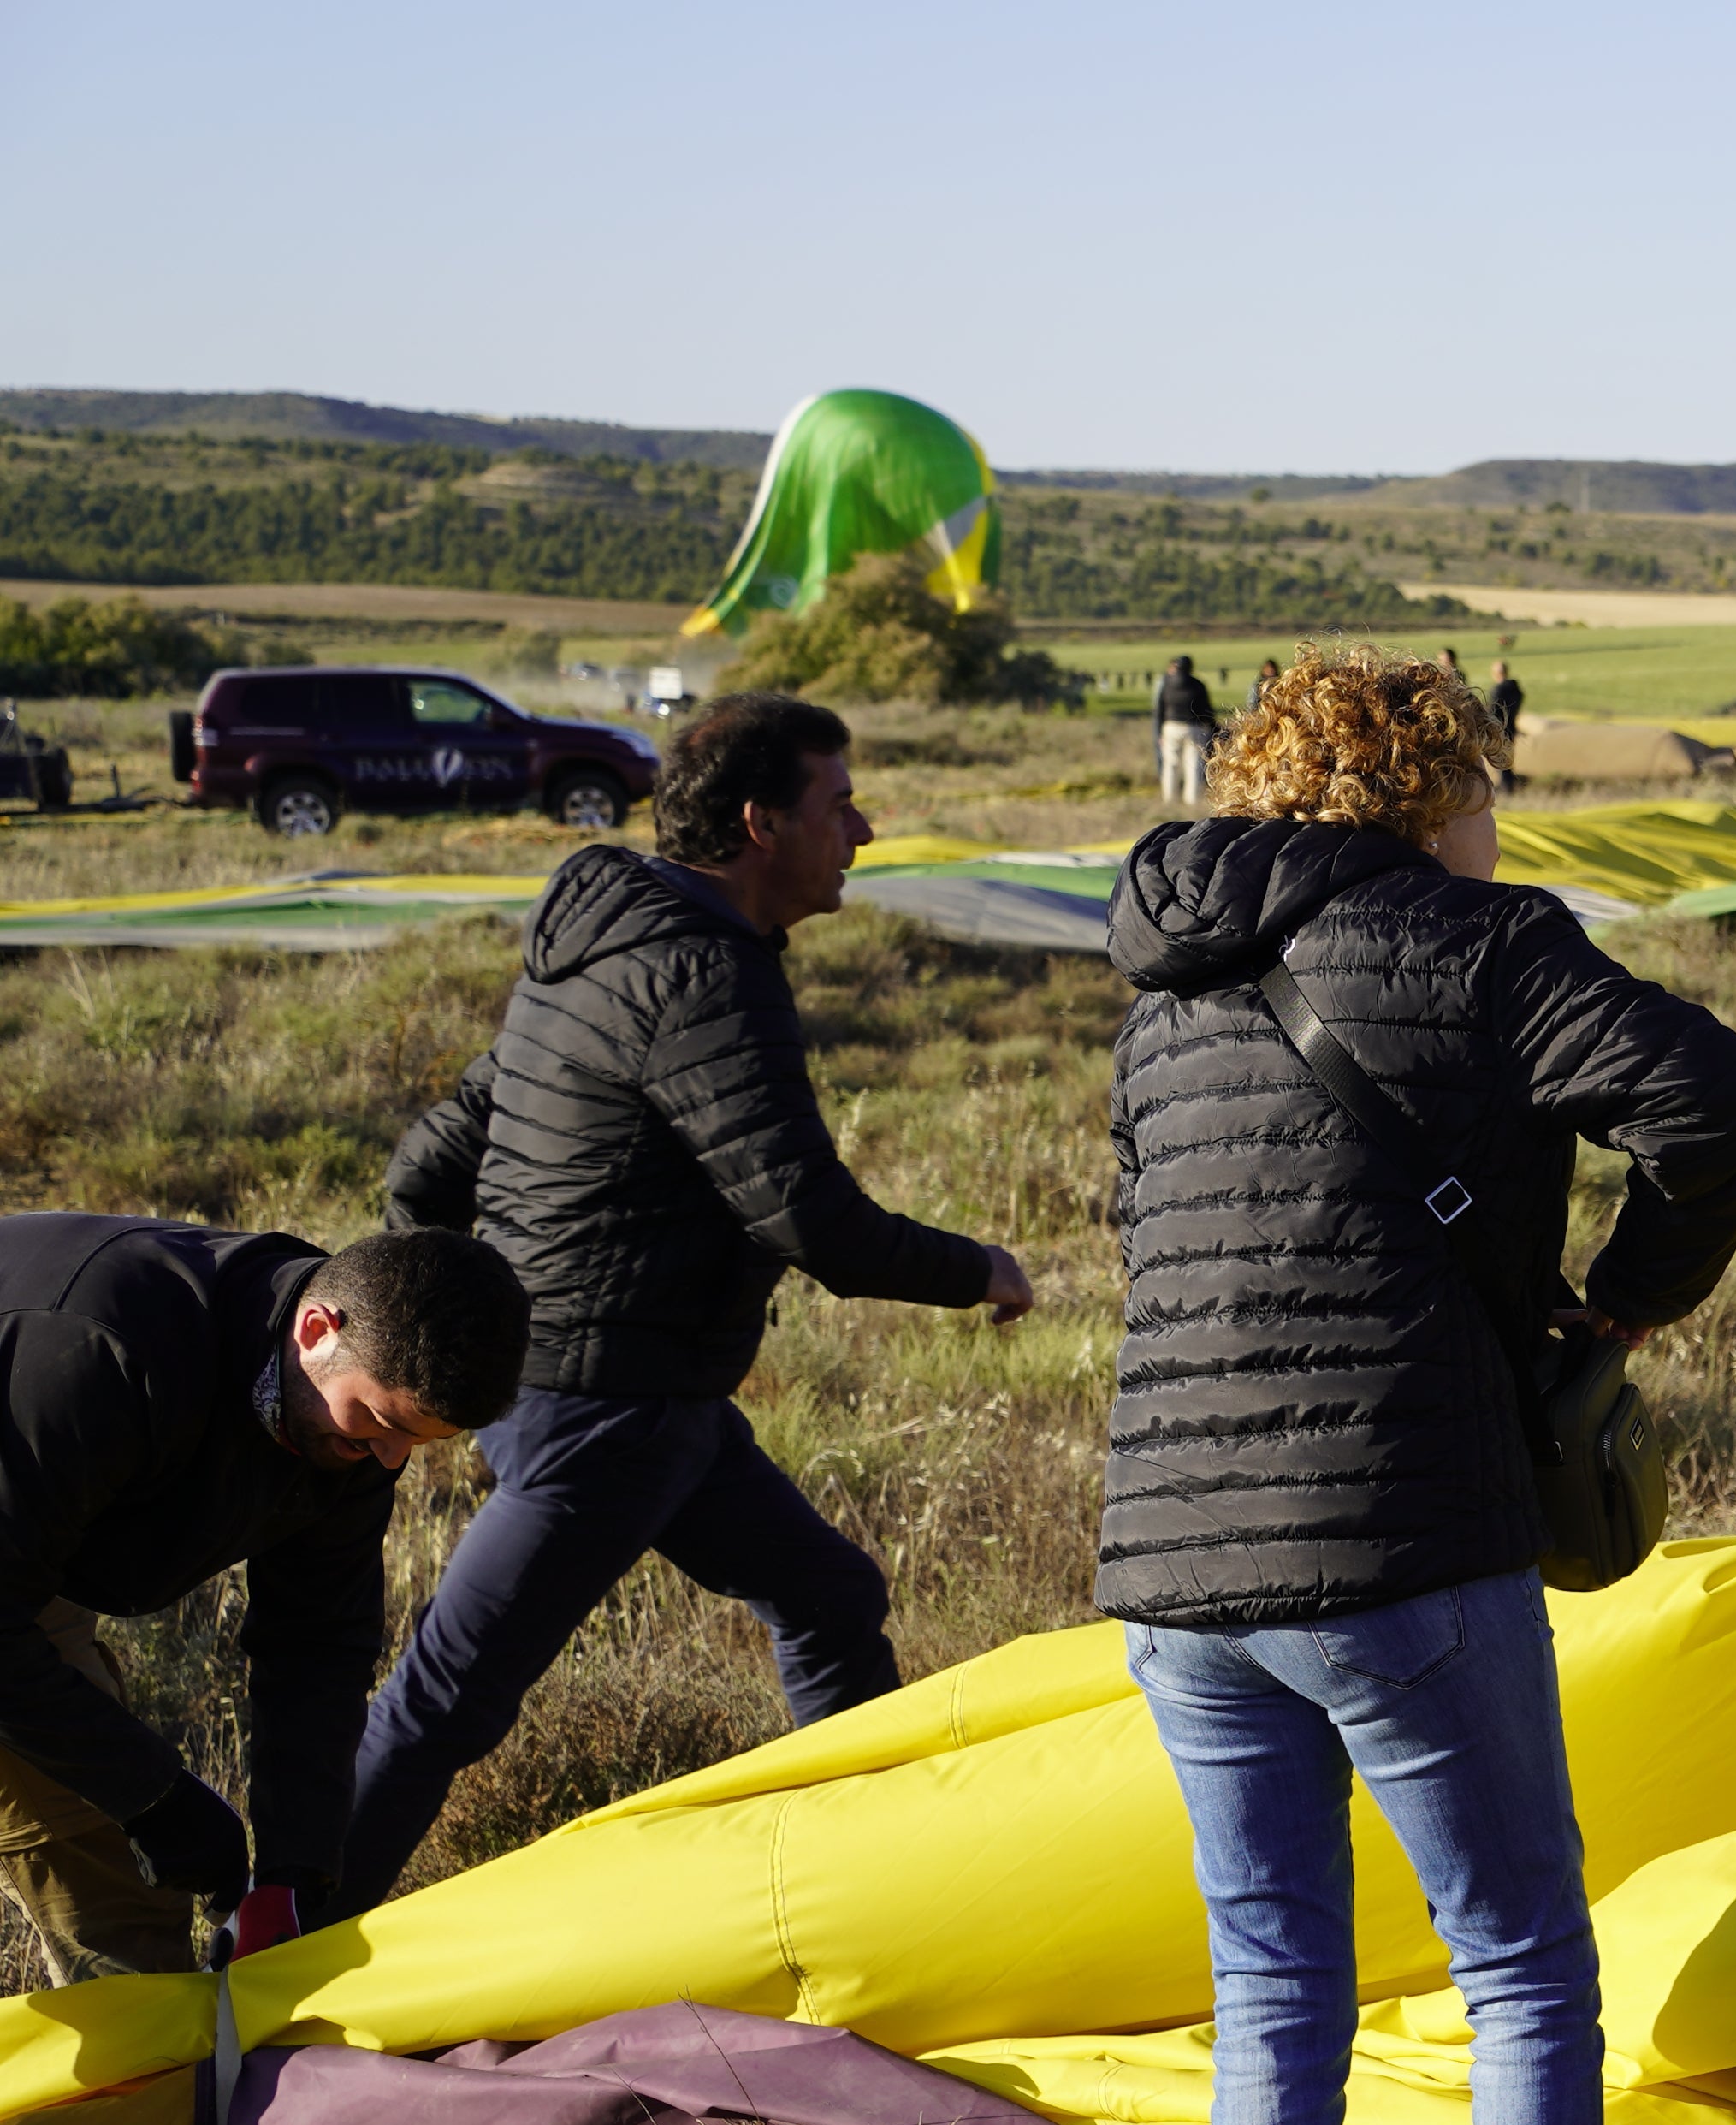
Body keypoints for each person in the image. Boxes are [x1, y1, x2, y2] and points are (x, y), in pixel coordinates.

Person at [1100, 647, 1736, 2125]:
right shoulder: (1480, 939)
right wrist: (1624, 1304)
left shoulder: (1162, 987)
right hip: (1400, 1537)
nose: (1498, 817)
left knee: (1273, 1992)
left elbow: (1147, 1226)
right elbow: (1707, 1100)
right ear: (1431, 788)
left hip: (1174, 1566)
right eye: (1481, 781)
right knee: (1523, 1974)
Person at [347, 696, 1040, 1913]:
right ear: (762, 822)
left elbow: (432, 1159)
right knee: (446, 1699)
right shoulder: (704, 972)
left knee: (830, 1598)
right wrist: (977, 1268)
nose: (863, 829)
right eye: (840, 804)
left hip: (626, 1389)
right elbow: (805, 1217)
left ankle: (870, 1881)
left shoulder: (605, 939)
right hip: (607, 1404)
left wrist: (473, 1309)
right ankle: (273, 1938)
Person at [0, 1218, 525, 1984]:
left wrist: (295, 1868)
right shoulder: (102, 1351)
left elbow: (317, 1640)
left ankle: (150, 2087)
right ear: (316, 1330)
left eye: (418, 1441)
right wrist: (154, 1798)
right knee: (98, 1813)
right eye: (381, 1424)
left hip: (24, 1539)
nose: (390, 1459)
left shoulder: (345, 1417)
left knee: (117, 1888)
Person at [1152, 653, 1221, 806]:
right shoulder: (1197, 685)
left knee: (1171, 764)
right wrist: (1213, 728)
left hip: (1170, 727)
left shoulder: (1166, 683)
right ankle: (1192, 800)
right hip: (1194, 728)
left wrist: (1159, 731)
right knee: (1194, 764)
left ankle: (1169, 798)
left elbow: (1160, 709)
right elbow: (1206, 709)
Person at [1484, 656, 1526, 792]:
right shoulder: (1516, 690)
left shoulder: (1498, 691)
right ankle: (1509, 787)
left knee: (1501, 763)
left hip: (1500, 730)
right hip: (1511, 727)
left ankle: (1507, 789)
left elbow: (1493, 711)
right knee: (1507, 761)